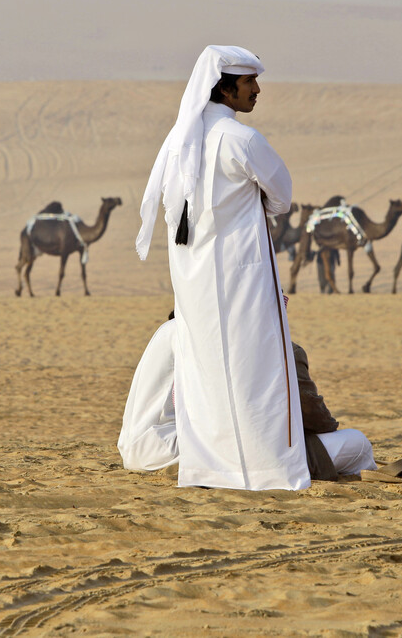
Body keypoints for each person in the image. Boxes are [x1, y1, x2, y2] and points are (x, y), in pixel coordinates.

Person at [136, 45, 310, 490]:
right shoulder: (242, 140)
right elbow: (283, 196)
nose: (257, 90)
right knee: (257, 368)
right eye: (249, 82)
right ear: (226, 89)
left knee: (205, 369)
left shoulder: (178, 141)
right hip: (242, 278)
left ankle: (208, 464)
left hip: (193, 281)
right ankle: (263, 466)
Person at [118, 316, 377, 480]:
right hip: (175, 448)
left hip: (139, 448)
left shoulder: (171, 329)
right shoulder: (212, 337)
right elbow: (313, 415)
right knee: (359, 443)